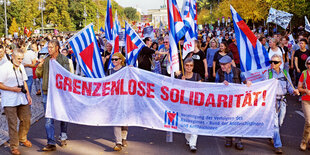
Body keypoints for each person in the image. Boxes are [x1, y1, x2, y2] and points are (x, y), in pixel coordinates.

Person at [36, 40, 70, 151]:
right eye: (48, 47)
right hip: (47, 92)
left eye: (51, 47)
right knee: (48, 118)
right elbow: (38, 74)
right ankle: (51, 142)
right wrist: (40, 66)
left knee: (62, 115)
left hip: (60, 93)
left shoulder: (64, 60)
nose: (49, 49)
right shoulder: (46, 60)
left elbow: (67, 75)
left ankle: (63, 134)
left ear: (57, 48)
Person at [264, 54, 299, 154]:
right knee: (275, 124)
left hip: (283, 100)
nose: (272, 64)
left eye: (275, 62)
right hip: (272, 101)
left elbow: (289, 87)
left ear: (280, 63)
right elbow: (263, 87)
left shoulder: (285, 73)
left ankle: (272, 135)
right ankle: (278, 146)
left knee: (279, 122)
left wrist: (294, 91)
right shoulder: (268, 73)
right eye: (271, 62)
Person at [215, 55, 252, 150]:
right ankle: (228, 138)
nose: (222, 66)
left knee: (238, 120)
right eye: (221, 64)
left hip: (237, 101)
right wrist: (221, 85)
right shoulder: (219, 72)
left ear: (230, 64)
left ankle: (238, 140)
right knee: (227, 120)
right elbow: (215, 86)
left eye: (224, 64)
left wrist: (248, 83)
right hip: (225, 101)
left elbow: (245, 82)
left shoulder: (238, 71)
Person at [0, 48, 32, 155]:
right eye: (18, 59)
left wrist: (28, 94)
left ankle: (22, 138)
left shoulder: (21, 66)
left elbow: (24, 81)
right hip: (9, 100)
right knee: (13, 123)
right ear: (12, 56)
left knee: (26, 119)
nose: (20, 61)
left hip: (21, 98)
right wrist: (12, 89)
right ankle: (14, 146)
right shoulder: (4, 68)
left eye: (22, 59)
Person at [177, 58, 202, 152]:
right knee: (186, 123)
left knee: (194, 123)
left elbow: (200, 89)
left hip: (195, 104)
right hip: (184, 104)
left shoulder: (197, 76)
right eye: (187, 65)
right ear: (184, 66)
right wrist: (181, 83)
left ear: (193, 66)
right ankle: (188, 139)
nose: (189, 67)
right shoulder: (180, 77)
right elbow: (175, 90)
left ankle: (193, 144)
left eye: (191, 65)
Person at [106, 52, 129, 151]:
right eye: (112, 59)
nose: (114, 61)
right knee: (116, 119)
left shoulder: (126, 70)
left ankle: (123, 138)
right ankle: (118, 142)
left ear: (121, 60)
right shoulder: (110, 71)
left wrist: (132, 69)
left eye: (116, 59)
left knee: (124, 120)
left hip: (125, 97)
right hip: (114, 99)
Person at [298, 56, 310, 151]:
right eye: (309, 63)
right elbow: (299, 87)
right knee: (309, 122)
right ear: (306, 64)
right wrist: (305, 90)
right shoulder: (304, 73)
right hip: (306, 100)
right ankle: (304, 141)